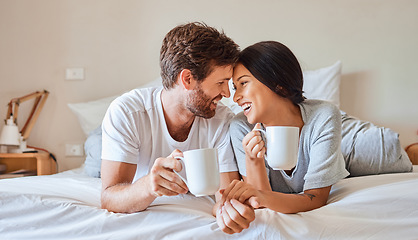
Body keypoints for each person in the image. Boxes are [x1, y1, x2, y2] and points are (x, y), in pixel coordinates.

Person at [222, 41, 412, 214]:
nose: (235, 97)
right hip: (321, 146)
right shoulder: (240, 127)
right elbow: (261, 201)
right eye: (234, 87)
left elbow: (315, 198)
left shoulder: (323, 115)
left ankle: (412, 150)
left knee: (389, 149)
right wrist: (253, 160)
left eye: (243, 83)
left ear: (277, 84)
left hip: (338, 137)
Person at [100, 22, 254, 234]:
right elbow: (109, 197)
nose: (227, 94)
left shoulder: (222, 119)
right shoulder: (128, 112)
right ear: (187, 79)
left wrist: (227, 210)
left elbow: (223, 196)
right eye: (221, 82)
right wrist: (148, 185)